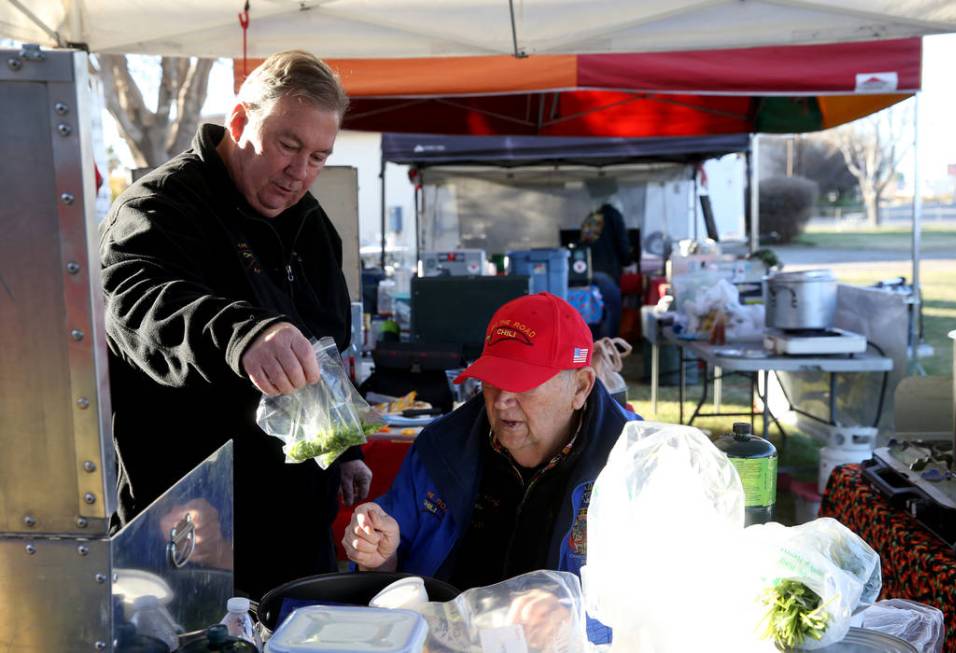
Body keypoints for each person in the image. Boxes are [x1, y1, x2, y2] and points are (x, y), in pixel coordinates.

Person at [100, 50, 371, 598]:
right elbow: (136, 301)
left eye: (319, 156)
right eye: (287, 145)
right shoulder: (159, 206)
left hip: (295, 526)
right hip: (191, 524)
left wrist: (345, 449)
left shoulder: (311, 223)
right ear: (241, 121)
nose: (300, 173)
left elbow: (325, 347)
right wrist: (243, 335)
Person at [342, 293, 638, 621]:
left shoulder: (636, 464)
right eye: (492, 381)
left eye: (523, 383)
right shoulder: (442, 448)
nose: (501, 401)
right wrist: (379, 556)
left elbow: (668, 606)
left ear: (580, 388)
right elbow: (390, 567)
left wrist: (573, 622)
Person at [580, 201, 631, 339]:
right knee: (611, 312)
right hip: (607, 273)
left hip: (588, 275)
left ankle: (592, 352)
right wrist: (627, 260)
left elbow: (583, 246)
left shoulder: (592, 218)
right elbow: (623, 246)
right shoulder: (615, 216)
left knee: (592, 314)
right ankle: (607, 353)